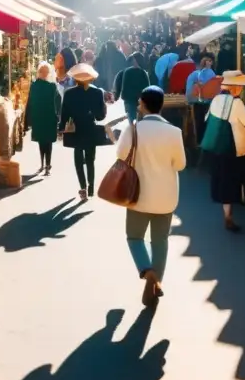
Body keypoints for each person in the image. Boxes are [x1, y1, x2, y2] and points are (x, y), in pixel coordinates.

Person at [116, 86, 186, 307]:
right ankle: (157, 281)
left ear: (144, 104)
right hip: (166, 196)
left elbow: (120, 155)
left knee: (134, 237)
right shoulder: (174, 132)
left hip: (138, 194)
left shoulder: (134, 130)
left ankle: (147, 272)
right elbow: (181, 164)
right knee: (160, 240)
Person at [205, 71, 245, 232]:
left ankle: (227, 213)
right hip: (233, 146)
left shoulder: (216, 99)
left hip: (216, 146)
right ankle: (235, 208)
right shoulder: (236, 103)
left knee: (223, 179)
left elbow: (207, 119)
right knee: (234, 178)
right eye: (239, 86)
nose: (241, 89)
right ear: (234, 87)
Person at [60, 63, 109, 201]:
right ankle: (91, 186)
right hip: (90, 128)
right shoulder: (97, 92)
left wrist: (61, 128)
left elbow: (65, 115)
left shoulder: (69, 93)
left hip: (75, 129)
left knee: (78, 159)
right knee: (90, 159)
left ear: (75, 79)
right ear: (90, 78)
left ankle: (83, 188)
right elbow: (100, 116)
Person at [26, 61, 60, 176]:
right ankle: (47, 165)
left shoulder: (34, 86)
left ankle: (42, 163)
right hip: (50, 117)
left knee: (41, 141)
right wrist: (59, 116)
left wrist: (29, 119)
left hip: (38, 117)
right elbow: (58, 102)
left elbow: (30, 103)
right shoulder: (52, 87)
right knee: (48, 142)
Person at [186, 52, 218, 145]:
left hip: (199, 104)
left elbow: (189, 95)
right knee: (206, 127)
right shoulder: (211, 74)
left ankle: (200, 145)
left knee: (199, 126)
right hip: (208, 104)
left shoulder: (194, 75)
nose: (209, 63)